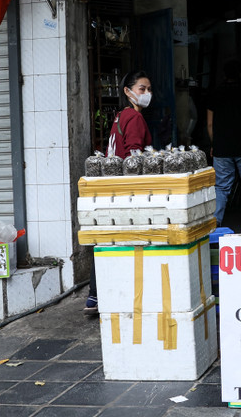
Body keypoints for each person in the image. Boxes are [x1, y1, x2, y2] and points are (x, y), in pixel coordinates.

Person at [84, 70, 153, 316]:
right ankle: (107, 294)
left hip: (112, 187)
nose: (147, 94)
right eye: (142, 89)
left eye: (148, 89)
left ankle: (95, 296)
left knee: (107, 239)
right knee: (122, 241)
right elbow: (134, 156)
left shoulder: (119, 117)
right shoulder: (133, 118)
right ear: (127, 91)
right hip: (127, 189)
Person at [207, 59, 241, 233]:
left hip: (222, 149)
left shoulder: (216, 93)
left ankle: (215, 225)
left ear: (224, 75)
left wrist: (214, 144)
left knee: (221, 188)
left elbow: (210, 124)